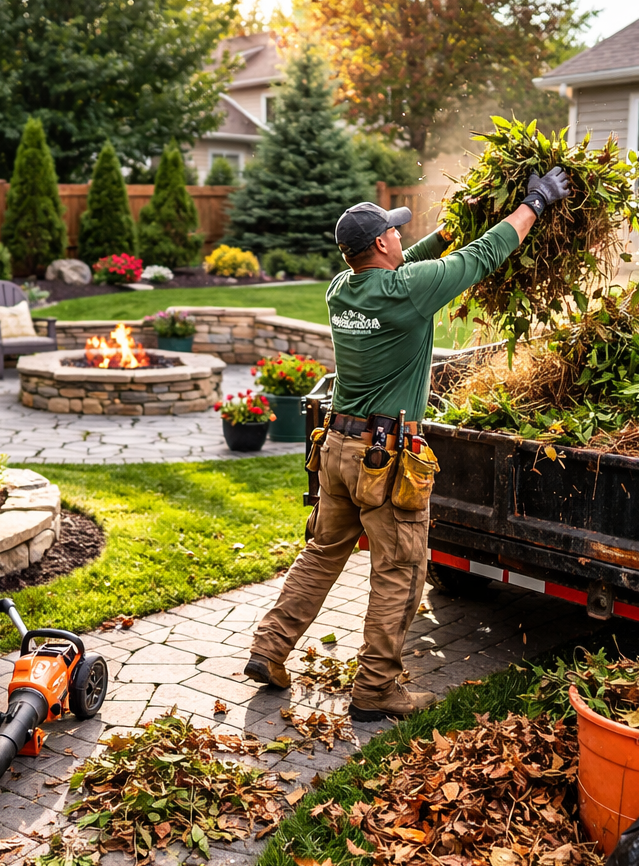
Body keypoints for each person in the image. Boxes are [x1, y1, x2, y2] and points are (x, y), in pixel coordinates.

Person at [243, 167, 572, 721]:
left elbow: (414, 262)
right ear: (379, 243)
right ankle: (376, 691)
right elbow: (484, 255)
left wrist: (448, 229)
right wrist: (536, 202)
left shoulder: (342, 288)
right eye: (394, 230)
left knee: (322, 552)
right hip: (385, 461)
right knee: (399, 569)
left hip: (336, 451)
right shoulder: (409, 293)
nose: (402, 234)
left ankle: (269, 649)